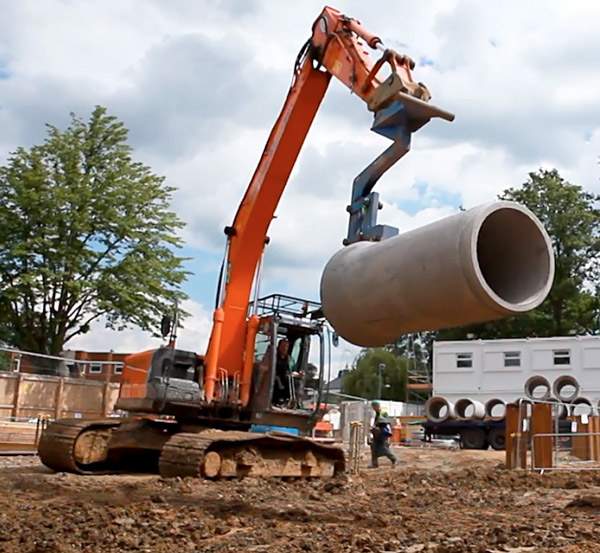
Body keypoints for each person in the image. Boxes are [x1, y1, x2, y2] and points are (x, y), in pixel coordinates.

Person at [369, 400, 397, 468]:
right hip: (377, 433)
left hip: (382, 433)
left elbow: (385, 422)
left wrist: (377, 426)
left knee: (384, 448)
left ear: (377, 406)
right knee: (374, 447)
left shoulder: (383, 412)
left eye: (374, 406)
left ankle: (394, 459)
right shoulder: (377, 413)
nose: (373, 408)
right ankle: (374, 463)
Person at [272, 338, 292, 406]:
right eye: (283, 346)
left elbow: (290, 370)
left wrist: (298, 374)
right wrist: (278, 380)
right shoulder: (273, 356)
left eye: (286, 346)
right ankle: (275, 401)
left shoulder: (288, 359)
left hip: (284, 379)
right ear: (279, 346)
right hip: (273, 378)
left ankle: (287, 401)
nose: (285, 348)